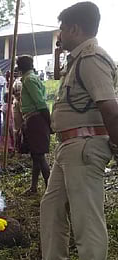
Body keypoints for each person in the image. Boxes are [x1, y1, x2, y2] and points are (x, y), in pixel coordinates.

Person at [41, 3, 118, 260]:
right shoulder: (77, 60)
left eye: (61, 30)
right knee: (51, 209)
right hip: (69, 148)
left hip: (84, 147)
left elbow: (111, 109)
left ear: (74, 29)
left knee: (86, 220)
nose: (59, 36)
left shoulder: (91, 59)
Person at [17, 55, 51, 194]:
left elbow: (40, 103)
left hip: (35, 119)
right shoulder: (30, 78)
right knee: (36, 156)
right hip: (33, 119)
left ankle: (50, 188)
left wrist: (49, 122)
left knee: (39, 156)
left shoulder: (29, 80)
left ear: (20, 67)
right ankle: (34, 187)